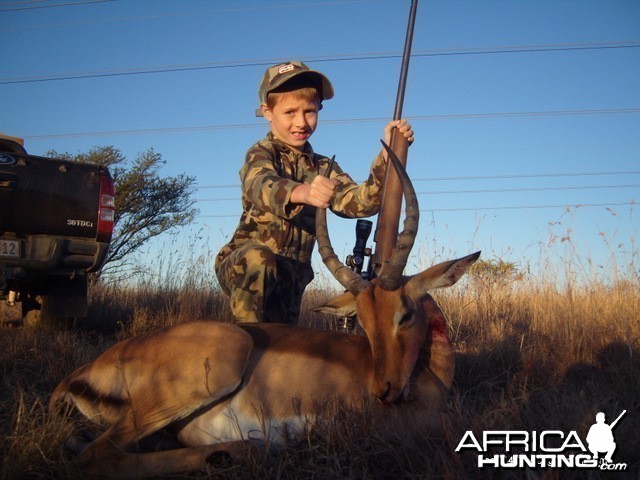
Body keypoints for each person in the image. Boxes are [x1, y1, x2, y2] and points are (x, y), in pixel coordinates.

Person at [215, 60, 414, 324]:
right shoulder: (261, 153)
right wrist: (303, 193)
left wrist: (386, 155)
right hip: (245, 268)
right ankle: (244, 344)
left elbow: (361, 203)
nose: (301, 122)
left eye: (310, 111)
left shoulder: (324, 166)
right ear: (267, 111)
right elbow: (258, 184)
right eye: (290, 112)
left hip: (292, 279)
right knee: (259, 261)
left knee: (282, 348)